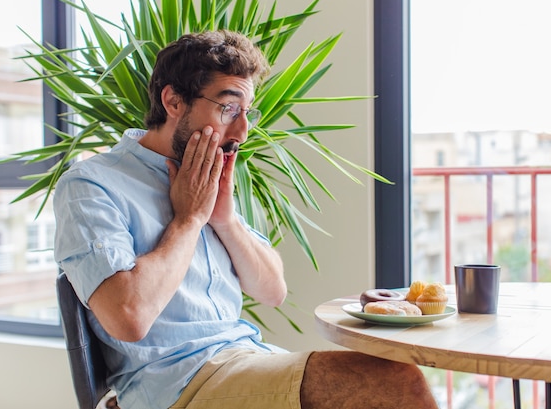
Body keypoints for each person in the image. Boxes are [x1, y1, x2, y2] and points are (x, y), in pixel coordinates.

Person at [54, 30, 439, 409]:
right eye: (227, 108)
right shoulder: (91, 184)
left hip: (244, 354)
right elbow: (128, 319)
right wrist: (188, 221)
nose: (242, 131)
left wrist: (225, 219)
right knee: (394, 381)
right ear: (173, 101)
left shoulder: (206, 179)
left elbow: (273, 291)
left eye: (246, 113)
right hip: (173, 383)